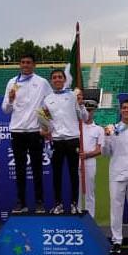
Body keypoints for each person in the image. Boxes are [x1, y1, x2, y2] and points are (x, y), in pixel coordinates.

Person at [1, 54, 52, 213]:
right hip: (17, 131)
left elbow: (49, 104)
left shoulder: (42, 82)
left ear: (34, 65)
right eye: (23, 62)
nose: (25, 65)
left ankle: (39, 203)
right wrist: (10, 99)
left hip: (35, 131)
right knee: (20, 169)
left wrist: (47, 125)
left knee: (37, 169)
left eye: (29, 62)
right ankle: (21, 202)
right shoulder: (12, 82)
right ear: (19, 64)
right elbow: (5, 109)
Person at [41, 70, 87, 214]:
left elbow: (84, 117)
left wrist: (80, 104)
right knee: (57, 174)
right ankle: (58, 204)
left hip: (72, 140)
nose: (57, 79)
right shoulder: (47, 99)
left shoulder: (73, 96)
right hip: (56, 141)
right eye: (54, 77)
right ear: (51, 81)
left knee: (74, 173)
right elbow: (45, 120)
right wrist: (46, 131)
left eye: (60, 77)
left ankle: (74, 204)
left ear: (65, 79)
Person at [102, 98, 128, 254]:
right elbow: (105, 153)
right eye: (124, 108)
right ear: (120, 110)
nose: (127, 110)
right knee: (116, 209)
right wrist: (106, 137)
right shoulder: (112, 129)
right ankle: (117, 241)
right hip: (116, 174)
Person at [78, 99, 104, 218]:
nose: (88, 112)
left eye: (90, 110)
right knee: (76, 191)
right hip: (76, 161)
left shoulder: (98, 129)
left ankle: (90, 218)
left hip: (89, 162)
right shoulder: (77, 127)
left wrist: (87, 155)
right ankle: (77, 216)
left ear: (94, 111)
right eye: (86, 110)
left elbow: (99, 150)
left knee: (89, 191)